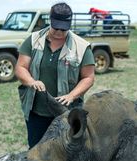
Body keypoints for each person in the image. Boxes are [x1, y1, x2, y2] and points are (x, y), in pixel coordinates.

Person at [16, 2, 95, 149]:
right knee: (36, 150)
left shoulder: (82, 46)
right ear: (50, 20)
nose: (59, 31)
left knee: (66, 152)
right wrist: (31, 81)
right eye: (56, 27)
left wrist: (72, 95)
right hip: (37, 112)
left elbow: (89, 78)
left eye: (63, 28)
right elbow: (21, 67)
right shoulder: (33, 40)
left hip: (66, 113)